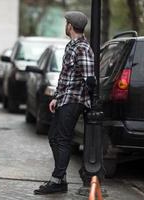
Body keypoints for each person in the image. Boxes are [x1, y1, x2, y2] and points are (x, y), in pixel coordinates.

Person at [34, 11, 95, 195]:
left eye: (66, 22)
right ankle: (60, 179)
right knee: (54, 137)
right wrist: (56, 97)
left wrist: (88, 101)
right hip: (65, 99)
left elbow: (89, 78)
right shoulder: (72, 46)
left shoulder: (82, 48)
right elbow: (65, 77)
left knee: (62, 139)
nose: (65, 25)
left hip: (74, 100)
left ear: (70, 26)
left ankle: (57, 180)